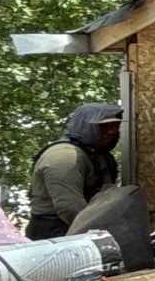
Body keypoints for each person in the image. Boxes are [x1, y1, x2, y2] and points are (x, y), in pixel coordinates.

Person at [25, 102, 122, 239]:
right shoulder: (65, 156)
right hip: (57, 231)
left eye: (115, 125)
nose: (112, 131)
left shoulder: (96, 153)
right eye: (104, 126)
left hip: (81, 226)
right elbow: (70, 208)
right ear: (85, 126)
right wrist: (102, 235)